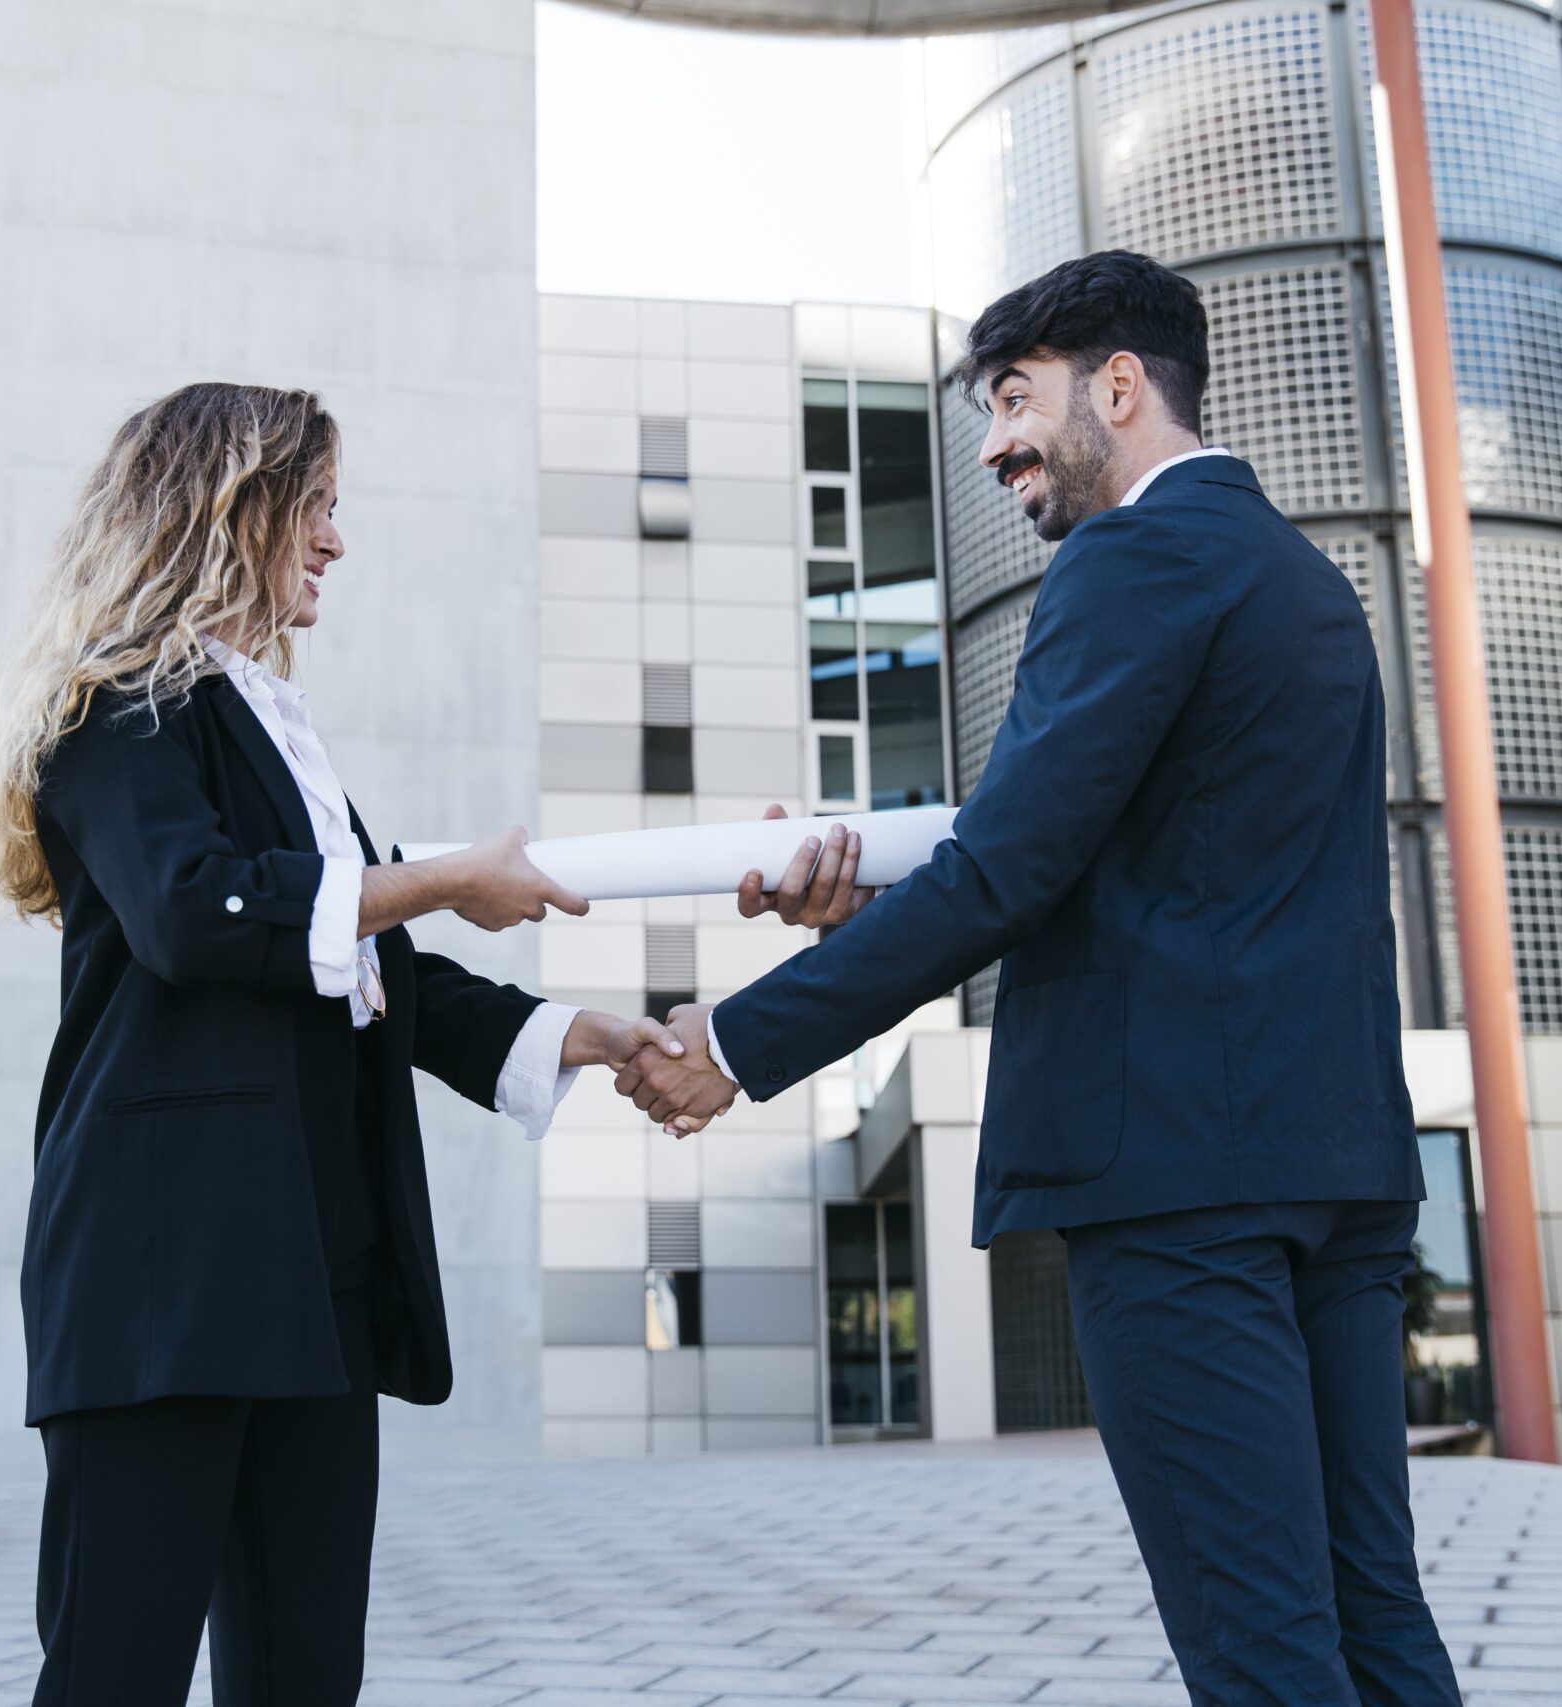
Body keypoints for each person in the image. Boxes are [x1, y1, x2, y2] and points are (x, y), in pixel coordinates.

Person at [617, 252, 1463, 1707]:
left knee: (1262, 1646)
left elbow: (1013, 867)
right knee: (1366, 1615)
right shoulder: (1306, 580)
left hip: (1178, 1182)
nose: (999, 441)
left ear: (1118, 387)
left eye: (1016, 399)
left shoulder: (1128, 559)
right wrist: (870, 881)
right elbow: (1132, 844)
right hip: (1336, 1165)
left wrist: (740, 1043)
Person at [0, 382, 682, 1706]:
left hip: (314, 1283)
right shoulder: (112, 712)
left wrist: (579, 1034)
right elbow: (196, 913)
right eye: (318, 507)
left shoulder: (279, 731)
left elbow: (373, 967)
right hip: (164, 1282)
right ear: (229, 509)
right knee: (116, 1671)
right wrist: (452, 875)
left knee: (302, 1676)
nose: (337, 542)